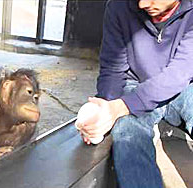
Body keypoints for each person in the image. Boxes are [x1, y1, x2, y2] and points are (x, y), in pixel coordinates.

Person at [76, 0, 193, 187]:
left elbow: (180, 72)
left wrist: (123, 106)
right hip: (137, 84)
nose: (142, 4)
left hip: (185, 85)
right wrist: (104, 110)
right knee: (127, 131)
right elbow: (113, 68)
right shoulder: (119, 6)